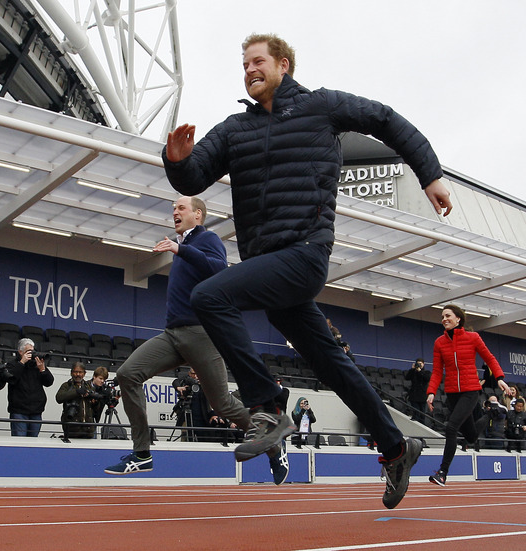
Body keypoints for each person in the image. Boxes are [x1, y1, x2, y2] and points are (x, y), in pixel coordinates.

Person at [162, 32, 445, 509]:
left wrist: (429, 173)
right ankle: (397, 446)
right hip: (269, 265)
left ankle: (268, 405)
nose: (249, 69)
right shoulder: (235, 129)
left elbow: (384, 119)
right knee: (333, 364)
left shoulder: (321, 106)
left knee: (209, 296)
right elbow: (194, 177)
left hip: (305, 253)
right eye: (244, 64)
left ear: (283, 65)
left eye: (257, 61)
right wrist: (175, 158)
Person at [105, 196, 287, 484]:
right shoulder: (185, 247)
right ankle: (142, 454)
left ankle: (274, 442)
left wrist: (180, 249)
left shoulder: (207, 239)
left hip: (202, 334)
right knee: (128, 374)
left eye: (181, 208)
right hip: (172, 334)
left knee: (223, 405)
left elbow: (219, 270)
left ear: (198, 215)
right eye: (173, 208)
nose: (174, 211)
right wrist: (181, 249)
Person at [426, 304, 509, 486]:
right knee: (470, 436)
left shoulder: (473, 338)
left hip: (470, 391)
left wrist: (500, 378)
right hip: (452, 394)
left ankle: (442, 473)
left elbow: (489, 358)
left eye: (448, 315)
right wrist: (431, 392)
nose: (444, 319)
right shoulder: (439, 342)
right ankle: (491, 413)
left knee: (451, 428)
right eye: (442, 317)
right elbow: (438, 371)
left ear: (458, 318)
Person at [3, 338, 54, 437]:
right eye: (28, 352)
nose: (31, 354)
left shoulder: (36, 365)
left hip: (36, 411)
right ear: (20, 352)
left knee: (33, 442)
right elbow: (11, 378)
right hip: (19, 411)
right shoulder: (12, 364)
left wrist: (42, 369)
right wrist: (22, 363)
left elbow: (49, 382)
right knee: (20, 442)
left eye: (33, 351)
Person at [56, 362, 100, 439]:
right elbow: (59, 398)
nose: (78, 374)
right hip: (72, 430)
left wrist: (95, 401)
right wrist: (76, 392)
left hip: (88, 430)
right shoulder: (66, 385)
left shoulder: (89, 386)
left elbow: (95, 409)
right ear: (71, 373)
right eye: (75, 372)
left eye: (80, 372)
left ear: (84, 373)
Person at [404, 359, 430, 424]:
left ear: (423, 364)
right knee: (416, 411)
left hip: (422, 396)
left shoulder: (426, 372)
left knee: (422, 413)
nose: (419, 365)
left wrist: (420, 371)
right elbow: (407, 377)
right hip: (414, 395)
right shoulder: (413, 372)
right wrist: (412, 369)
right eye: (418, 364)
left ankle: (422, 424)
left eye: (420, 364)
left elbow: (427, 379)